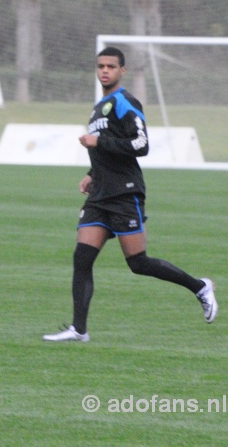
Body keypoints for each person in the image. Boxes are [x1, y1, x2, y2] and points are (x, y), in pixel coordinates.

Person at [43, 46, 218, 343]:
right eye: (101, 66)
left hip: (125, 194)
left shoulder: (125, 101)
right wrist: (91, 174)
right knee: (82, 258)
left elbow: (141, 145)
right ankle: (79, 329)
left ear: (122, 71)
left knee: (138, 263)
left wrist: (99, 141)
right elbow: (108, 151)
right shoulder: (99, 107)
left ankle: (200, 287)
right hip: (100, 194)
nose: (105, 71)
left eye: (111, 66)